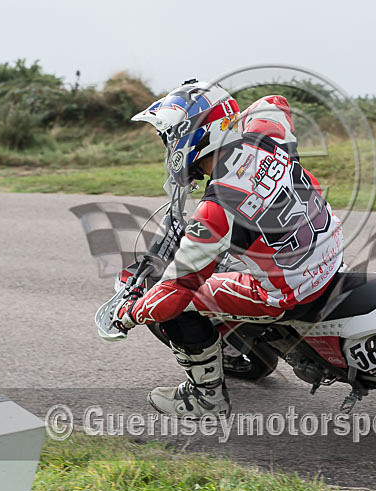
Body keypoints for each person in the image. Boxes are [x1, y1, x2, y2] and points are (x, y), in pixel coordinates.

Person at [112, 79, 343, 418]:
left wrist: (129, 314)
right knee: (232, 261)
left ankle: (206, 400)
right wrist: (232, 121)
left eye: (169, 138)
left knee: (183, 304)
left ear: (190, 136)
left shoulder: (218, 207)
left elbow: (175, 290)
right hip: (329, 249)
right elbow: (275, 101)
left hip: (289, 290)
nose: (169, 146)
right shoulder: (268, 134)